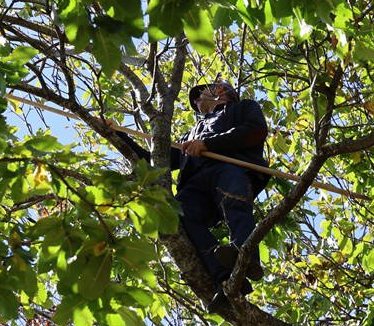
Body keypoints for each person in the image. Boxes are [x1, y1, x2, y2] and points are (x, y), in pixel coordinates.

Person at [114, 81, 268, 313]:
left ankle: (247, 258)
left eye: (199, 95)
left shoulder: (242, 108)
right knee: (179, 216)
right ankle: (224, 278)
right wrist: (116, 134)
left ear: (220, 92)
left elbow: (254, 131)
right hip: (195, 184)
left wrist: (208, 143)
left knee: (234, 203)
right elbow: (154, 161)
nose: (196, 102)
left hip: (230, 168)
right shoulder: (192, 133)